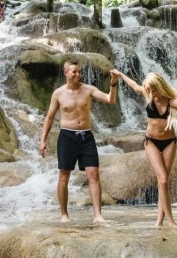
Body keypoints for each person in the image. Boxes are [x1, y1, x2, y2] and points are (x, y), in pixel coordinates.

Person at [110, 69, 177, 227]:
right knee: (163, 179)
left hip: (169, 142)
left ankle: (160, 221)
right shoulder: (148, 92)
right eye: (149, 90)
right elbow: (135, 86)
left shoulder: (174, 98)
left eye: (154, 90)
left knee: (162, 182)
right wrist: (120, 75)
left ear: (161, 86)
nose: (151, 93)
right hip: (151, 141)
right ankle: (170, 221)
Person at [39, 60, 119, 223]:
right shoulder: (58, 93)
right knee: (64, 176)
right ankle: (64, 215)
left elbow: (110, 100)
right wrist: (43, 140)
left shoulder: (88, 89)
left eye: (79, 71)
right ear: (66, 73)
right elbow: (49, 117)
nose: (78, 74)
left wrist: (114, 82)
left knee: (93, 174)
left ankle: (97, 215)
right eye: (74, 71)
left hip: (86, 136)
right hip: (67, 136)